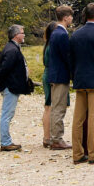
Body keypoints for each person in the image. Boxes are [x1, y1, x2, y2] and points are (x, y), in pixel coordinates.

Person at [68, 2, 94, 164]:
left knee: (78, 119)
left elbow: (70, 59)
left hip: (80, 80)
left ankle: (77, 153)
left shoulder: (76, 34)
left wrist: (74, 76)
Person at [43, 5, 73, 150]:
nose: (72, 19)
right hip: (60, 75)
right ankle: (57, 139)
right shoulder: (61, 34)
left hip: (55, 74)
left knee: (56, 107)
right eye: (71, 16)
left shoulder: (55, 33)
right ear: (66, 17)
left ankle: (56, 137)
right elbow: (67, 56)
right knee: (59, 108)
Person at [0, 24, 29, 152]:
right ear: (16, 35)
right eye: (22, 32)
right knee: (7, 114)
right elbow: (4, 68)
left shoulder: (13, 48)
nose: (24, 34)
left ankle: (6, 141)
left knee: (8, 114)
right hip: (10, 87)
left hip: (12, 85)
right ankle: (5, 142)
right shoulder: (12, 50)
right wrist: (0, 80)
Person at [40, 22, 59, 150]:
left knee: (48, 107)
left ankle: (47, 136)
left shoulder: (47, 44)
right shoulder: (52, 45)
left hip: (47, 74)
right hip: (51, 75)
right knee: (49, 107)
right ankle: (47, 137)